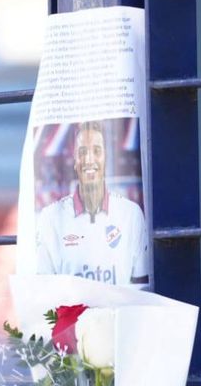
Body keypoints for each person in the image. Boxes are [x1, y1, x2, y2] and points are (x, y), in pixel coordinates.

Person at [35, 120, 150, 286]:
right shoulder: (50, 218)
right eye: (82, 152)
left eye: (96, 151)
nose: (89, 160)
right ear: (74, 160)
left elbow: (141, 284)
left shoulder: (131, 213)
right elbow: (44, 288)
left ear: (105, 158)